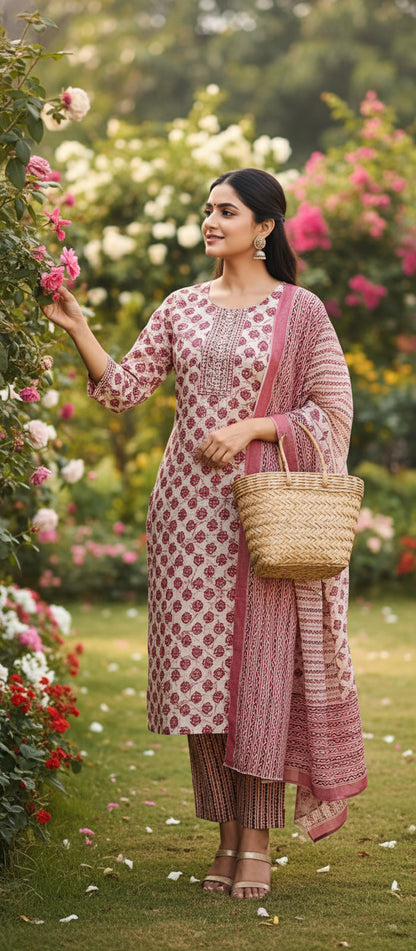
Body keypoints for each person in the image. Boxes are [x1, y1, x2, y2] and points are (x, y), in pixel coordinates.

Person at [42, 167, 367, 900]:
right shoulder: (181, 306)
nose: (210, 220)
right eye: (207, 209)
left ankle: (256, 843)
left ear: (265, 226)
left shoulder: (302, 310)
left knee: (256, 674)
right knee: (207, 685)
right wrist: (80, 328)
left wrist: (256, 425)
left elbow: (333, 411)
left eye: (227, 210)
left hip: (263, 517)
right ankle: (225, 840)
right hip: (188, 516)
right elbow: (123, 389)